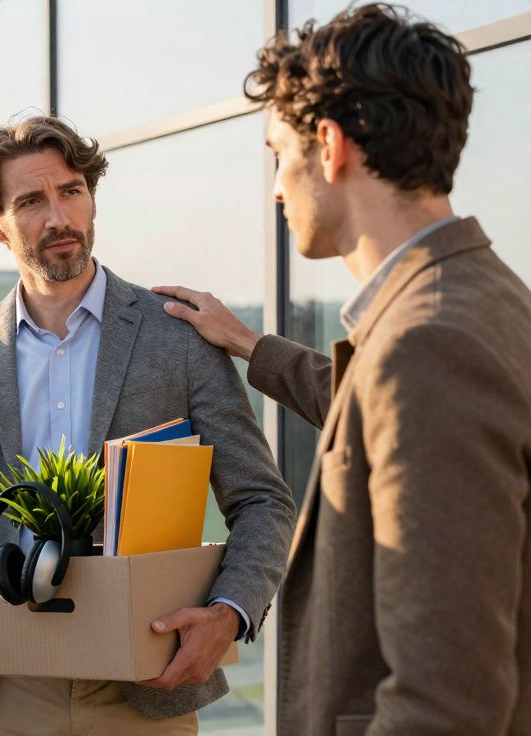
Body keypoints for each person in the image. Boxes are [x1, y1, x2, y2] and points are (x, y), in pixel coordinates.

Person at [0, 115, 296, 734]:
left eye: (71, 191)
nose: (59, 217)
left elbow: (263, 500)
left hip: (148, 676)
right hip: (4, 684)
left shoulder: (181, 341)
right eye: (31, 201)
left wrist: (228, 612)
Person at [154, 5, 531, 734]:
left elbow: (443, 703)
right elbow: (379, 415)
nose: (274, 189)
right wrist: (248, 343)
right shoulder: (481, 297)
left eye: (277, 155)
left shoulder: (426, 347)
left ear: (328, 146)